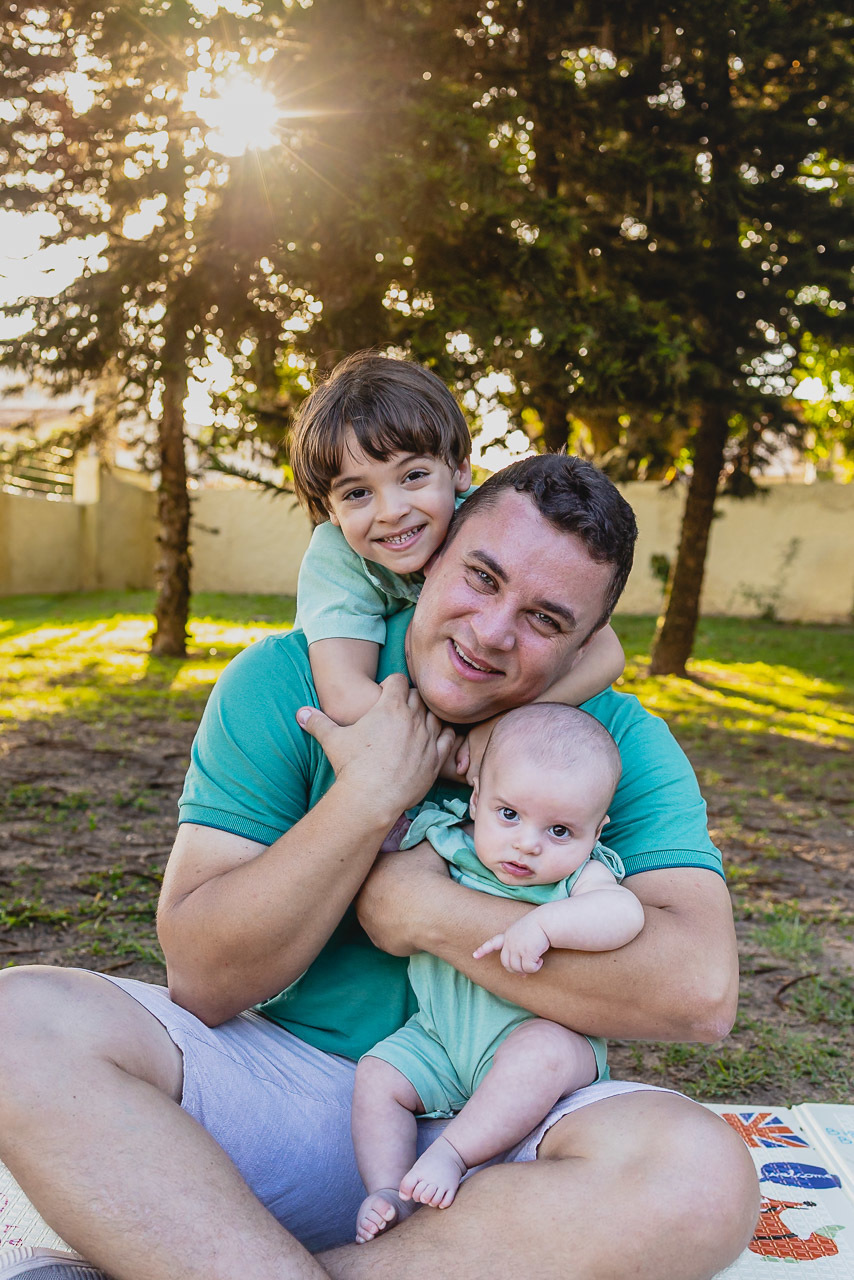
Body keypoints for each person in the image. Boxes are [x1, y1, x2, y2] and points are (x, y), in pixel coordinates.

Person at [0, 421, 759, 1280]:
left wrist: (418, 909)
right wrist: (369, 796)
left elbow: (700, 993)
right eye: (481, 577)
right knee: (16, 1023)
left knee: (700, 1181)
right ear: (432, 555)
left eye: (545, 619)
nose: (492, 633)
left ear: (587, 648)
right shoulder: (284, 684)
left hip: (517, 1118)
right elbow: (205, 978)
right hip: (296, 1096)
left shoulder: (615, 744)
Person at [352, 703, 644, 1243]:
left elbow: (624, 915)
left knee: (542, 1052)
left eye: (560, 830)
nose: (528, 843)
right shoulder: (449, 840)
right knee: (378, 1077)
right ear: (477, 798)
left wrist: (547, 925)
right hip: (441, 1037)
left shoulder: (584, 874)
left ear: (595, 830)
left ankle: (450, 1154)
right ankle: (389, 1190)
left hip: (534, 1039)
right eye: (508, 815)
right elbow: (379, 841)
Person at [290, 352, 626, 779]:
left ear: (461, 469)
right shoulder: (335, 560)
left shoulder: (488, 524)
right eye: (357, 493)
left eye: (413, 476)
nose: (392, 511)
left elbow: (607, 653)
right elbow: (344, 694)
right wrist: (458, 759)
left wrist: (504, 727)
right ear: (330, 511)